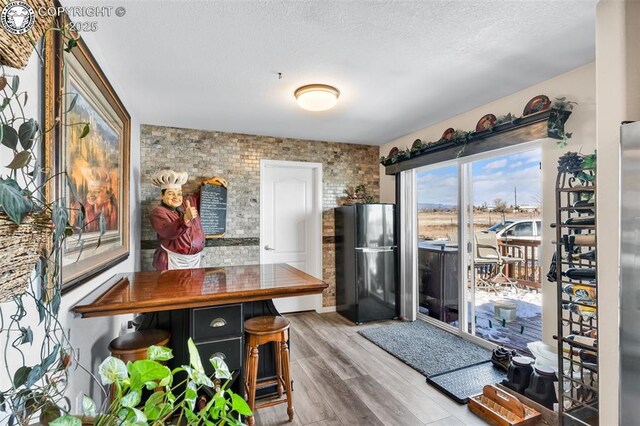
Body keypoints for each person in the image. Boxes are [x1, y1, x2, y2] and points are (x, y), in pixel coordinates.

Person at [150, 170, 205, 271]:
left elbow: (203, 196)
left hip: (194, 261)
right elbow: (168, 232)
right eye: (171, 194)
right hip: (172, 261)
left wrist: (214, 185)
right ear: (162, 196)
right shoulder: (158, 213)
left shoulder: (185, 204)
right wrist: (185, 218)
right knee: (171, 286)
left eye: (179, 194)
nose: (176, 197)